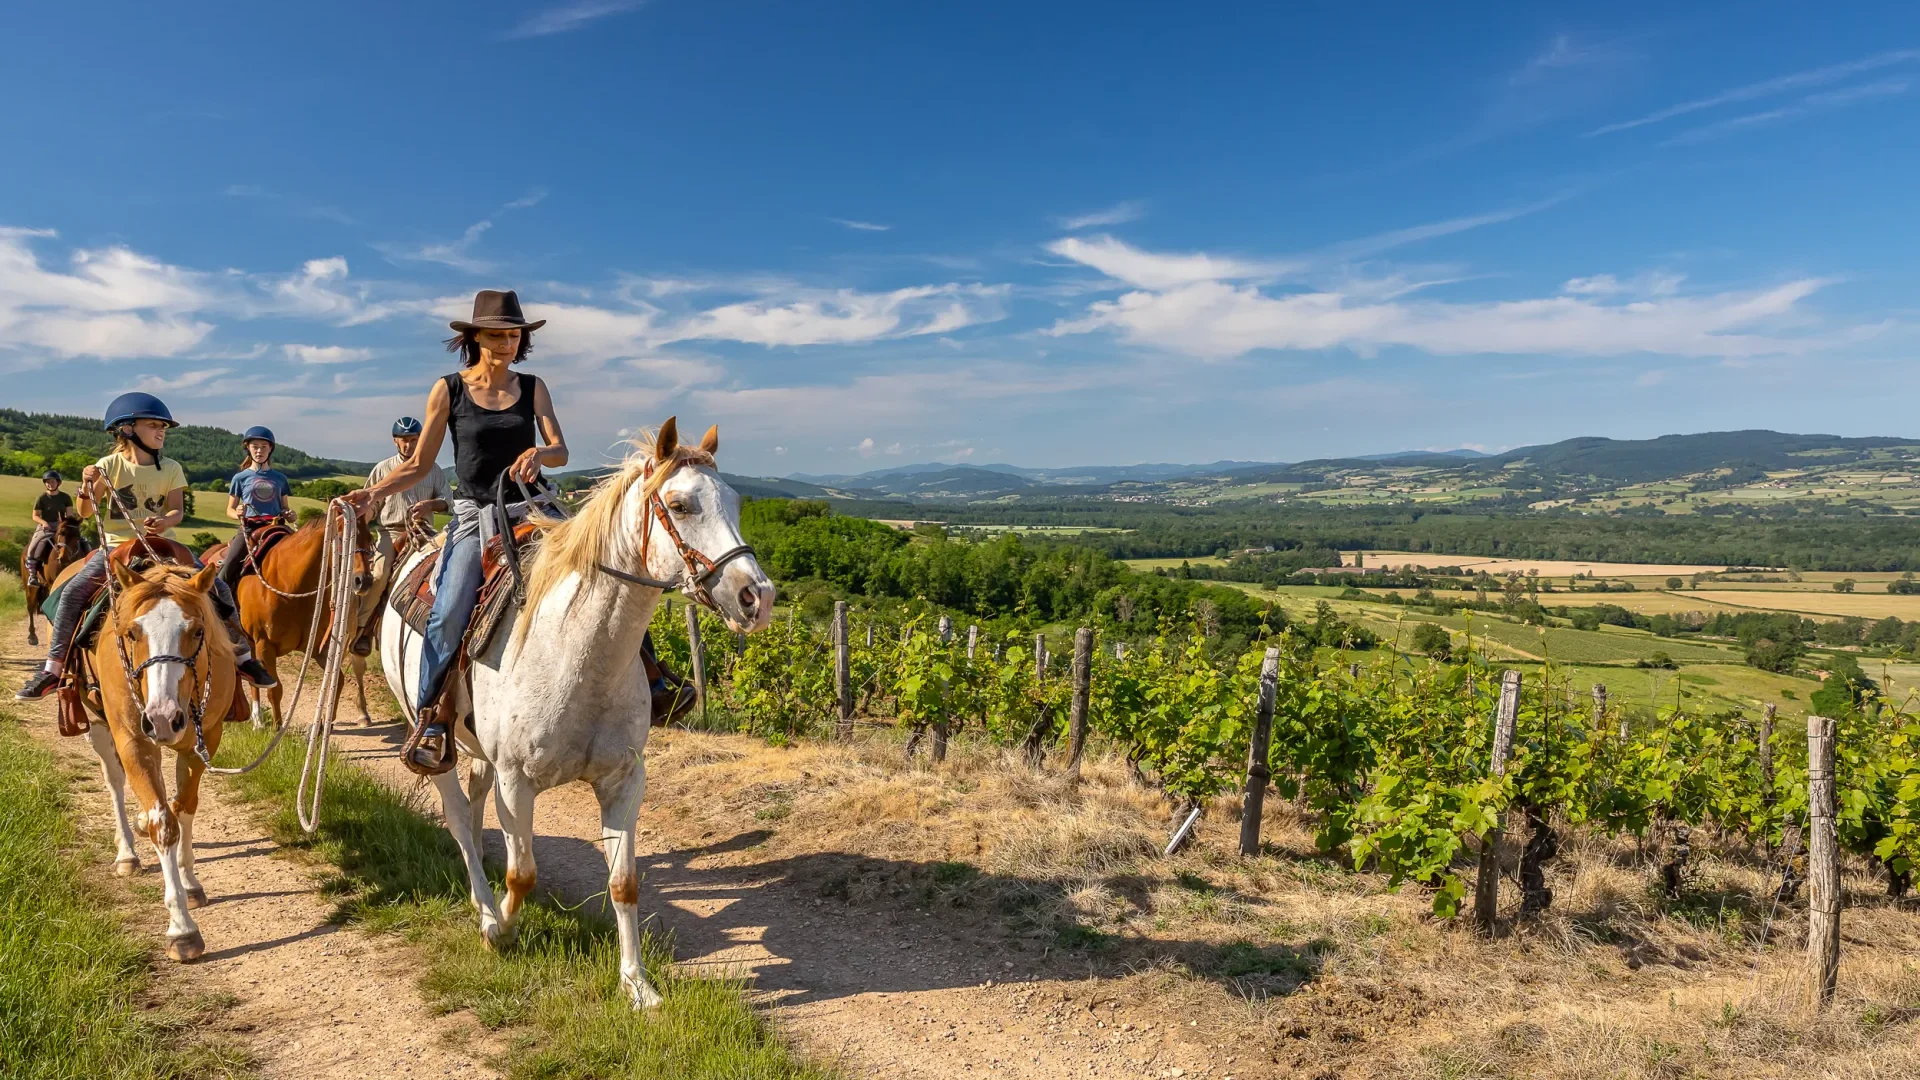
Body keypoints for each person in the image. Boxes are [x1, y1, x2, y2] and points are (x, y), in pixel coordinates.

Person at [342, 290, 567, 771]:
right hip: (475, 512)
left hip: (530, 506)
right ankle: (432, 719)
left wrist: (540, 455)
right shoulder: (449, 389)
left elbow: (560, 449)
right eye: (496, 334)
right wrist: (373, 495)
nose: (507, 343)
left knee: (600, 563)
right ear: (473, 337)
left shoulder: (534, 387)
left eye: (514, 335)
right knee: (449, 609)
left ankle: (654, 681)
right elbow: (420, 462)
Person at [16, 394, 278, 700]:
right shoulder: (108, 465)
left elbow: (177, 511)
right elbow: (86, 512)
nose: (161, 431)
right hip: (117, 547)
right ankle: (52, 669)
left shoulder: (170, 468)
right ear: (127, 429)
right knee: (73, 594)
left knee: (217, 588)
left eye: (163, 427)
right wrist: (86, 487)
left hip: (164, 547)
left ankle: (244, 658)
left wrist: (165, 522)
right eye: (153, 425)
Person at [364, 416, 451, 587]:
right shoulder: (382, 468)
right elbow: (371, 505)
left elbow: (448, 501)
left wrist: (430, 505)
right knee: (379, 576)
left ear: (420, 440)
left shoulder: (433, 469)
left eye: (413, 440)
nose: (408, 445)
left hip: (425, 532)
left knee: (446, 569)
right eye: (404, 440)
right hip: (391, 533)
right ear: (395, 440)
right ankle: (364, 614)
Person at [216, 426, 295, 596]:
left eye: (264, 447)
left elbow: (285, 507)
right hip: (250, 528)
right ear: (248, 449)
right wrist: (237, 513)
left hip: (277, 527)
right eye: (255, 446)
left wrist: (290, 514)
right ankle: (217, 602)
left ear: (270, 449)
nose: (259, 451)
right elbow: (229, 510)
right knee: (228, 566)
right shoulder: (240, 478)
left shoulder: (280, 478)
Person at [24, 470, 74, 587]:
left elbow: (70, 515)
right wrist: (44, 523)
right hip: (45, 526)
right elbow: (35, 516)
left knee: (82, 541)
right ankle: (32, 576)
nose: (50, 484)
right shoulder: (42, 498)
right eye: (47, 482)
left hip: (61, 525)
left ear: (58, 483)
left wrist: (67, 524)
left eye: (52, 481)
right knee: (33, 547)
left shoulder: (65, 497)